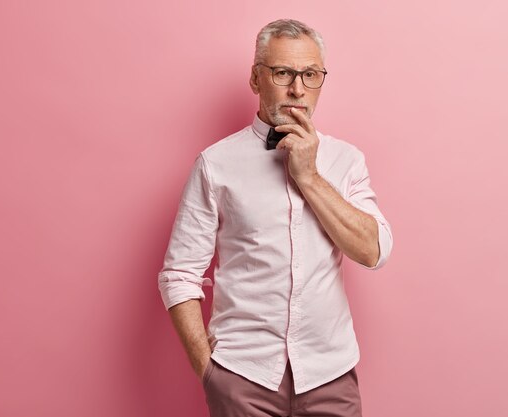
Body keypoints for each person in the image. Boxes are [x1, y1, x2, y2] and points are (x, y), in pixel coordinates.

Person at [157, 18, 393, 417]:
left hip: (329, 374)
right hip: (242, 376)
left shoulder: (346, 160)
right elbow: (178, 275)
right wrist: (209, 372)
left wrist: (310, 176)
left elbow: (373, 251)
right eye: (283, 72)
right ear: (255, 78)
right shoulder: (215, 165)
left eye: (311, 74)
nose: (298, 89)